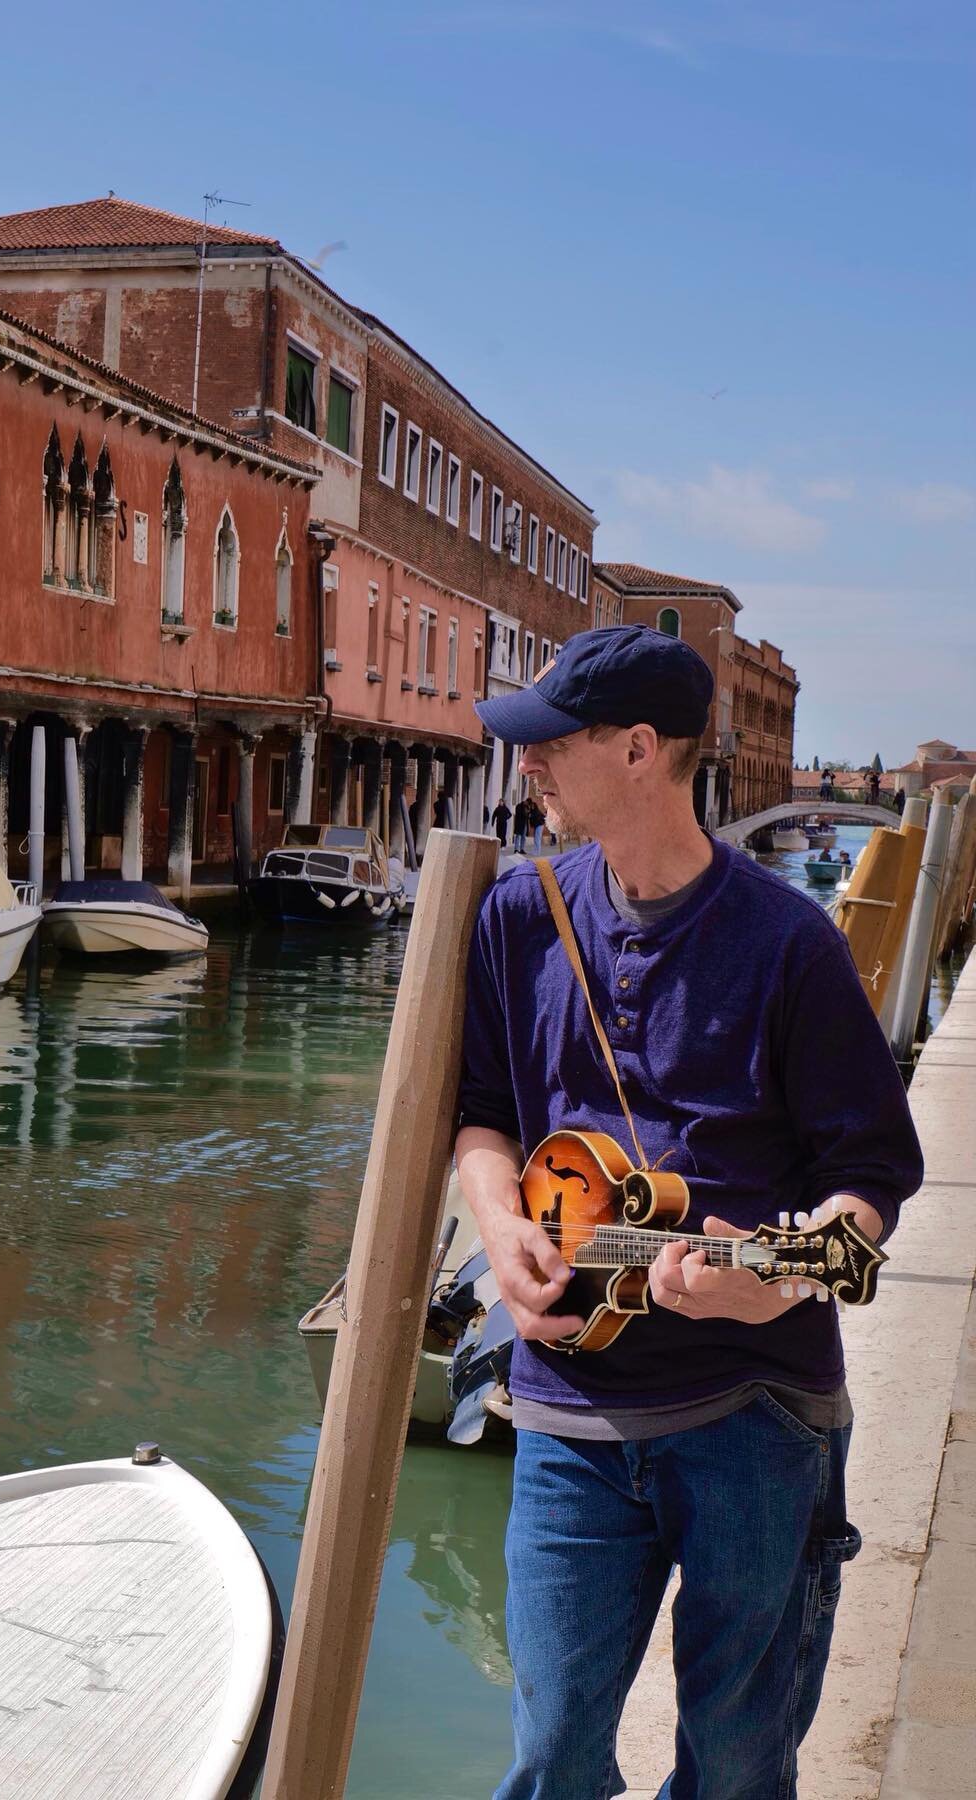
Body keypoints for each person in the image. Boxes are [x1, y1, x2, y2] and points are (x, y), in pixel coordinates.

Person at [458, 624, 921, 1799]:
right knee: (552, 1752)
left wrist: (780, 1272)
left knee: (734, 1766)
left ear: (638, 750)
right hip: (571, 1413)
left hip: (755, 1416)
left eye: (549, 745)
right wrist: (501, 1227)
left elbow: (871, 1190)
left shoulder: (792, 945)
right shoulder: (519, 917)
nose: (528, 766)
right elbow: (479, 1119)